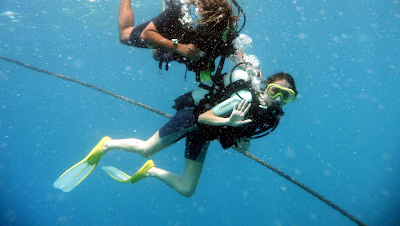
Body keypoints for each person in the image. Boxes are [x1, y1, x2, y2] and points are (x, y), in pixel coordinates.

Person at [53, 68, 298, 197]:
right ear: (266, 86)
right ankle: (106, 145)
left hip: (204, 135)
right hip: (191, 119)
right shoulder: (245, 97)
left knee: (187, 190)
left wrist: (240, 142)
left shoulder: (269, 117)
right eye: (276, 91)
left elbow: (233, 134)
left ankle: (150, 171)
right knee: (145, 149)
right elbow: (204, 117)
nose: (279, 99)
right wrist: (231, 123)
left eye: (287, 96)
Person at [68, 0, 242, 82]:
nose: (195, 22)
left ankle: (166, 45)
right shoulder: (181, 11)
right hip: (176, 33)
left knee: (157, 55)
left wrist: (249, 68)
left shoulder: (225, 27)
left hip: (185, 46)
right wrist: (179, 47)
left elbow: (236, 51)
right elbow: (146, 35)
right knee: (124, 35)